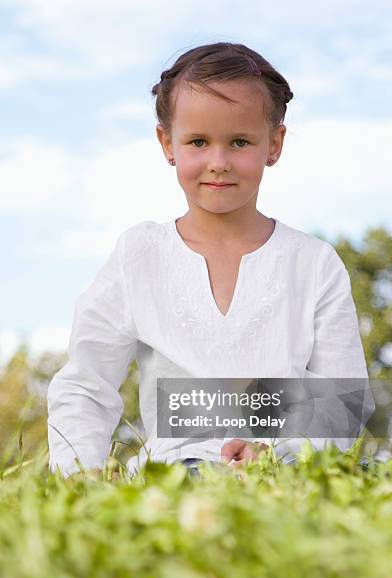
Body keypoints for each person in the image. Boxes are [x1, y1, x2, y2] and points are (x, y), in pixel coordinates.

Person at [47, 42, 369, 480]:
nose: (218, 163)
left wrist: (277, 454)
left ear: (274, 144)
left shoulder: (314, 263)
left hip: (286, 470)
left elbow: (343, 398)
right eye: (198, 141)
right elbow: (86, 383)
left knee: (368, 472)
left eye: (240, 142)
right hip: (175, 472)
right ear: (167, 143)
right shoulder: (139, 255)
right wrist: (79, 473)